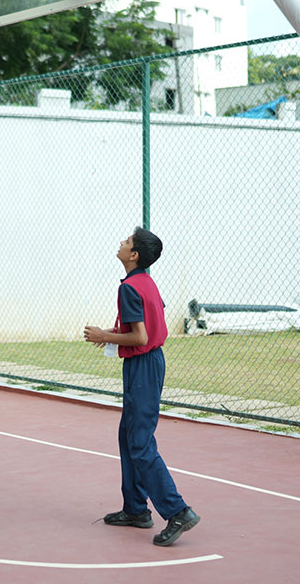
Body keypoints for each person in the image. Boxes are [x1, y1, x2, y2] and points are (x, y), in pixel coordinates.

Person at [84, 227, 200, 547]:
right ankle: (136, 509)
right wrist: (113, 331)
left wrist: (104, 336)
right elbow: (148, 324)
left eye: (127, 242)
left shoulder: (129, 288)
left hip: (142, 366)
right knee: (129, 436)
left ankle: (177, 511)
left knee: (139, 442)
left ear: (134, 255)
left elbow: (140, 337)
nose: (121, 242)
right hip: (151, 362)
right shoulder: (145, 283)